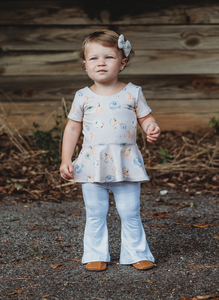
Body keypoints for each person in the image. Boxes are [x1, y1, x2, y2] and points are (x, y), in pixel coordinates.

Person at [60, 30, 160, 272]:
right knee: (95, 213)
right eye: (94, 58)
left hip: (126, 163)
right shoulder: (83, 96)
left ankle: (136, 253)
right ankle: (95, 253)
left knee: (130, 212)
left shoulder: (132, 92)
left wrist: (151, 127)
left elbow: (145, 117)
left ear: (122, 62)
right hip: (92, 164)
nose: (101, 63)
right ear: (85, 64)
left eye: (109, 57)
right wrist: (65, 159)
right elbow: (72, 129)